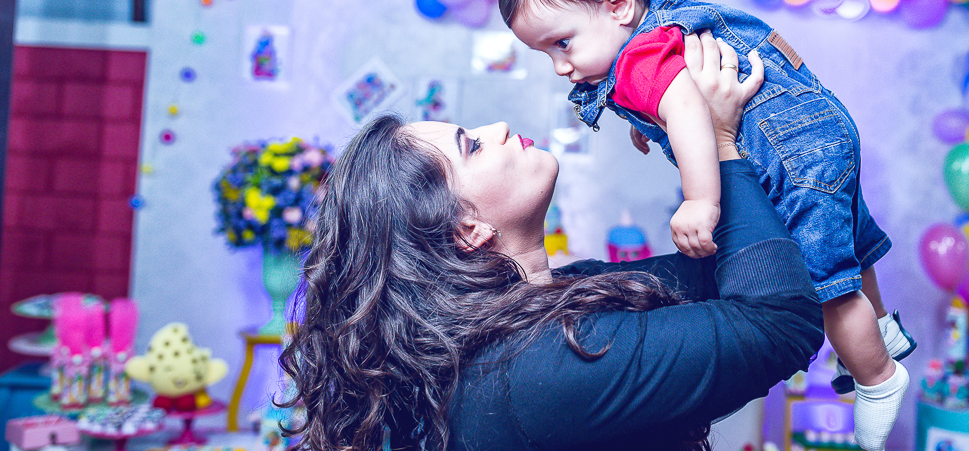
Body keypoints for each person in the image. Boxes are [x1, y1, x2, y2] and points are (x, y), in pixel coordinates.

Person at [281, 33, 824, 451]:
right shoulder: (536, 366)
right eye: (472, 146)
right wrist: (720, 139)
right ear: (467, 230)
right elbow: (779, 320)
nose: (497, 127)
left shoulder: (561, 295)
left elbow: (763, 263)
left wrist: (682, 124)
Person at [498, 0, 914, 451]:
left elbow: (690, 109)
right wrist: (650, 119)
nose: (559, 66)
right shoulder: (660, 20)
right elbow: (675, 95)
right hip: (821, 128)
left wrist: (700, 201)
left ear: (618, 5)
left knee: (827, 285)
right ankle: (883, 330)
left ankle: (878, 377)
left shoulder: (637, 60)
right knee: (850, 249)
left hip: (790, 154)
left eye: (562, 43)